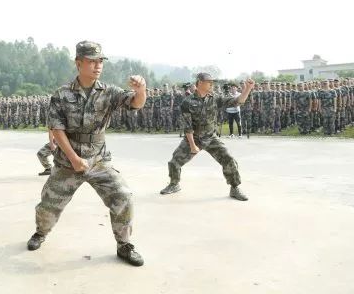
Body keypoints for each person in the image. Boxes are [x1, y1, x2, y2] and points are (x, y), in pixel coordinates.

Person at [27, 40, 147, 267]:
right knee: (48, 206)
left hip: (99, 160)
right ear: (78, 63)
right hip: (67, 162)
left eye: (100, 61)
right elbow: (57, 128)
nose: (97, 65)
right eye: (92, 61)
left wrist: (141, 90)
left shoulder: (109, 92)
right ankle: (40, 232)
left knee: (123, 197)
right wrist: (74, 159)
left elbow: (135, 104)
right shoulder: (61, 94)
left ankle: (124, 245)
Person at [159, 73, 255, 201]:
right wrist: (192, 146)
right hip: (194, 138)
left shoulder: (214, 98)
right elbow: (187, 126)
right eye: (209, 82)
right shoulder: (187, 102)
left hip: (211, 137)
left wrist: (247, 89)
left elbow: (238, 101)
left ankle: (235, 188)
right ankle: (174, 184)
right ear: (199, 83)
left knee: (229, 160)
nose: (211, 84)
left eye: (212, 82)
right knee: (174, 162)